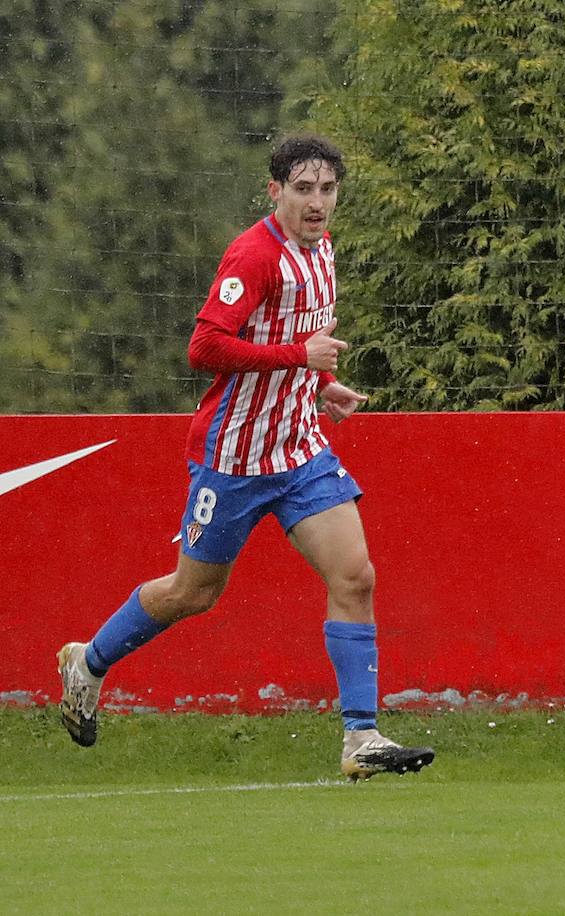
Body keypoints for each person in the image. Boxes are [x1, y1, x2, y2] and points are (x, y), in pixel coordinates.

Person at [56, 134, 435, 782]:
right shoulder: (255, 255)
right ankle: (87, 664)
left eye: (328, 190)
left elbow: (291, 344)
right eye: (304, 189)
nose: (317, 203)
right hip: (232, 458)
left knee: (356, 577)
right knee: (192, 593)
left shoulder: (324, 252)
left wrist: (319, 387)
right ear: (276, 191)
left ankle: (360, 738)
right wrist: (300, 361)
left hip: (298, 449)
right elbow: (205, 347)